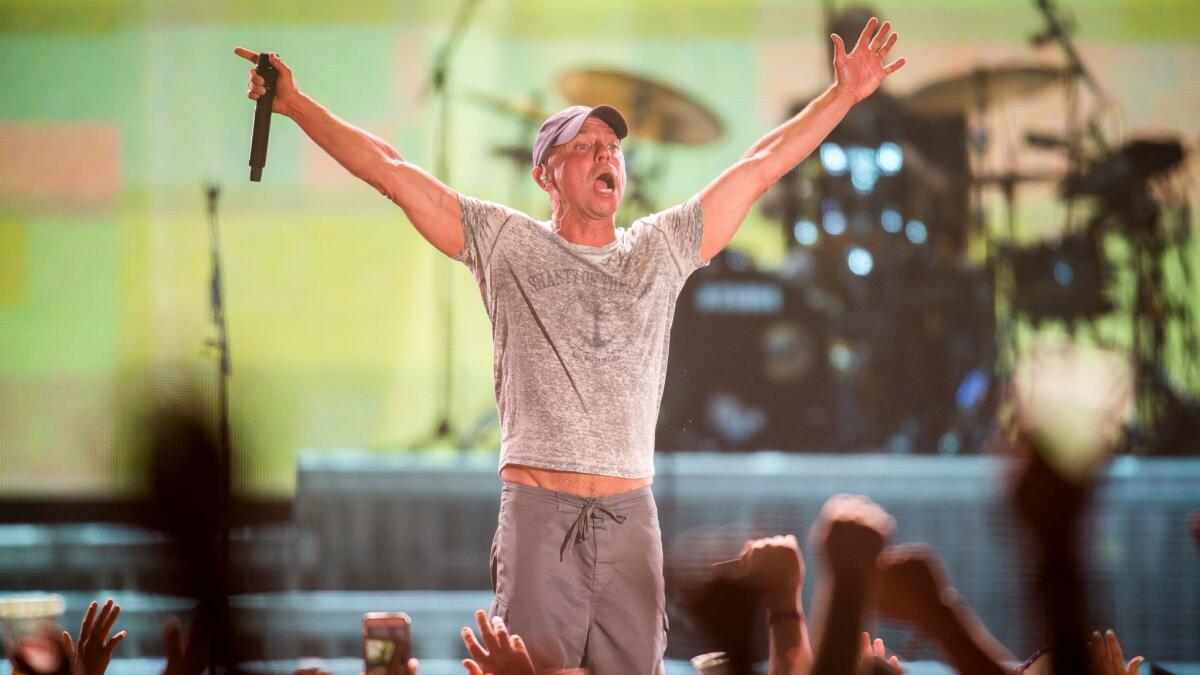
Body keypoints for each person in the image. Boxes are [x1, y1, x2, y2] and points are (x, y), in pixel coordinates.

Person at [235, 16, 904, 673]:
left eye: (612, 144)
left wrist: (842, 94)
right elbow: (390, 168)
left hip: (629, 512)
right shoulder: (507, 242)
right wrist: (294, 104)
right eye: (583, 146)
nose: (605, 153)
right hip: (539, 514)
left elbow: (760, 167)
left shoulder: (659, 246)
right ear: (544, 175)